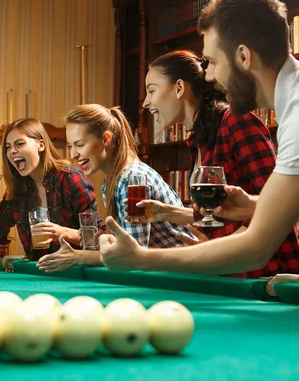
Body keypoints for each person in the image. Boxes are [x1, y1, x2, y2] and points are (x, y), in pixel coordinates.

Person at [99, 0, 299, 288]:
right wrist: (253, 204)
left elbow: (256, 248)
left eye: (211, 61)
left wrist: (140, 259)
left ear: (243, 57)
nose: (208, 76)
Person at [138, 49, 299, 278]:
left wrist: (208, 252)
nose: (146, 102)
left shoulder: (237, 121)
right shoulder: (198, 141)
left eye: (151, 91)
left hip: (266, 277)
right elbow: (223, 211)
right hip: (229, 275)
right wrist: (168, 213)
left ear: (179, 88)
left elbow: (277, 206)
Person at [39, 104, 198, 273]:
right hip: (168, 272)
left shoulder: (131, 179)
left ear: (106, 139)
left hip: (187, 275)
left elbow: (130, 254)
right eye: (71, 146)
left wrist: (78, 256)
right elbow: (123, 243)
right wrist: (67, 233)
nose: (73, 155)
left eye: (80, 144)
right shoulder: (111, 181)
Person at [0, 117, 102, 267]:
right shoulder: (18, 190)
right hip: (39, 275)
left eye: (20, 143)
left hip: (73, 273)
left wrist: (62, 233)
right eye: (7, 147)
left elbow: (97, 237)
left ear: (41, 145)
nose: (12, 151)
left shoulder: (70, 178)